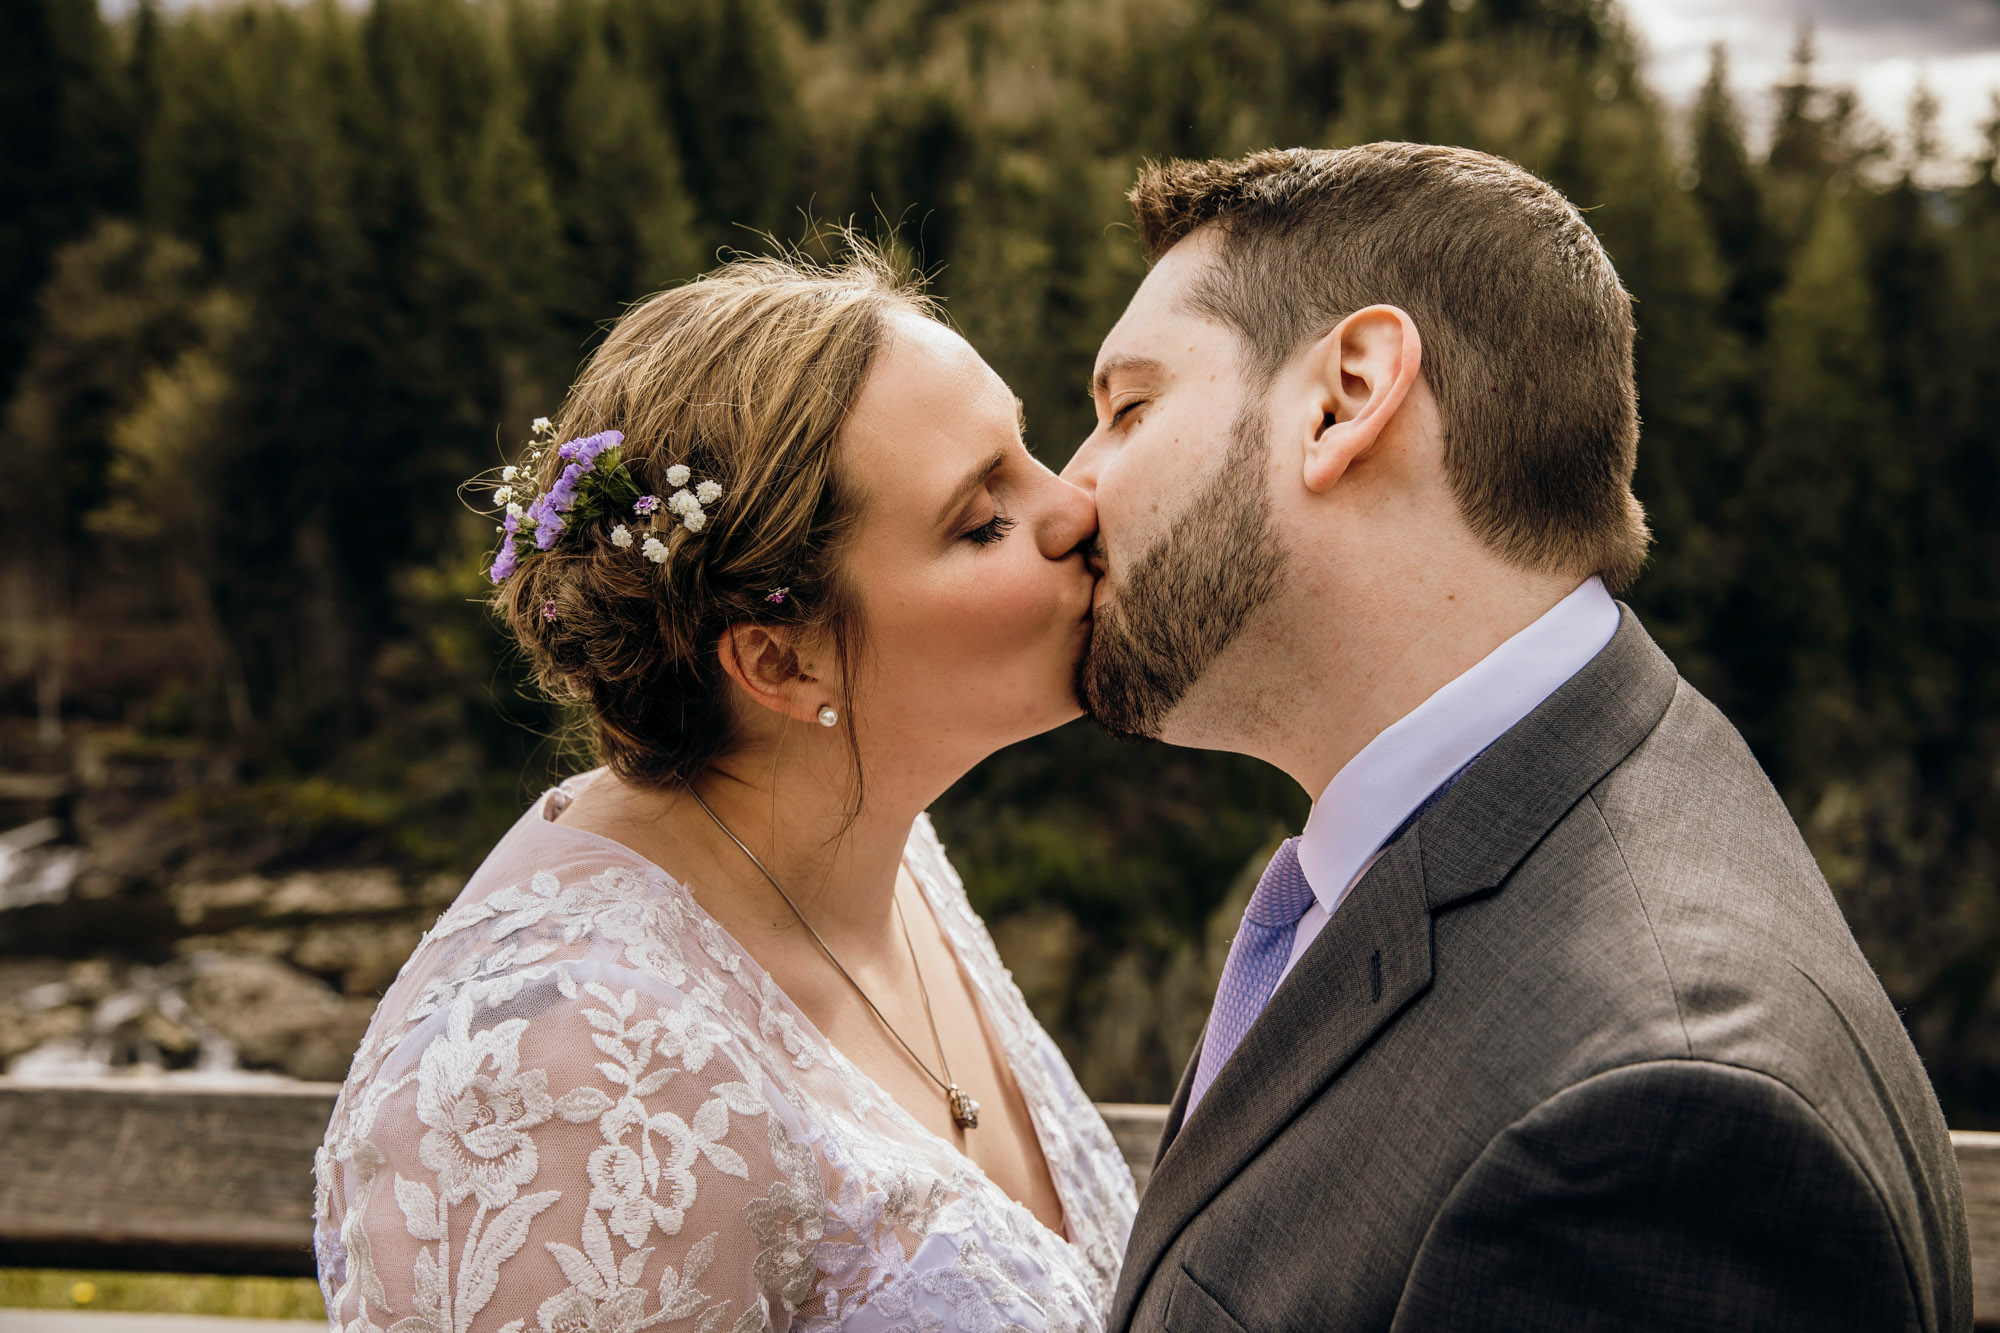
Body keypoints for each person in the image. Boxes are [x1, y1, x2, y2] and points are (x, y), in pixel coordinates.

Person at [1064, 144, 1973, 1332]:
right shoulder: (1583, 796)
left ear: (1344, 395)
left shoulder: (1652, 1133)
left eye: (1127, 408)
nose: (1073, 490)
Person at [313, 250, 1137, 1333]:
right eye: (980, 519)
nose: (1076, 506)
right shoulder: (567, 1078)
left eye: (1028, 449)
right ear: (783, 664)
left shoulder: (882, 849)